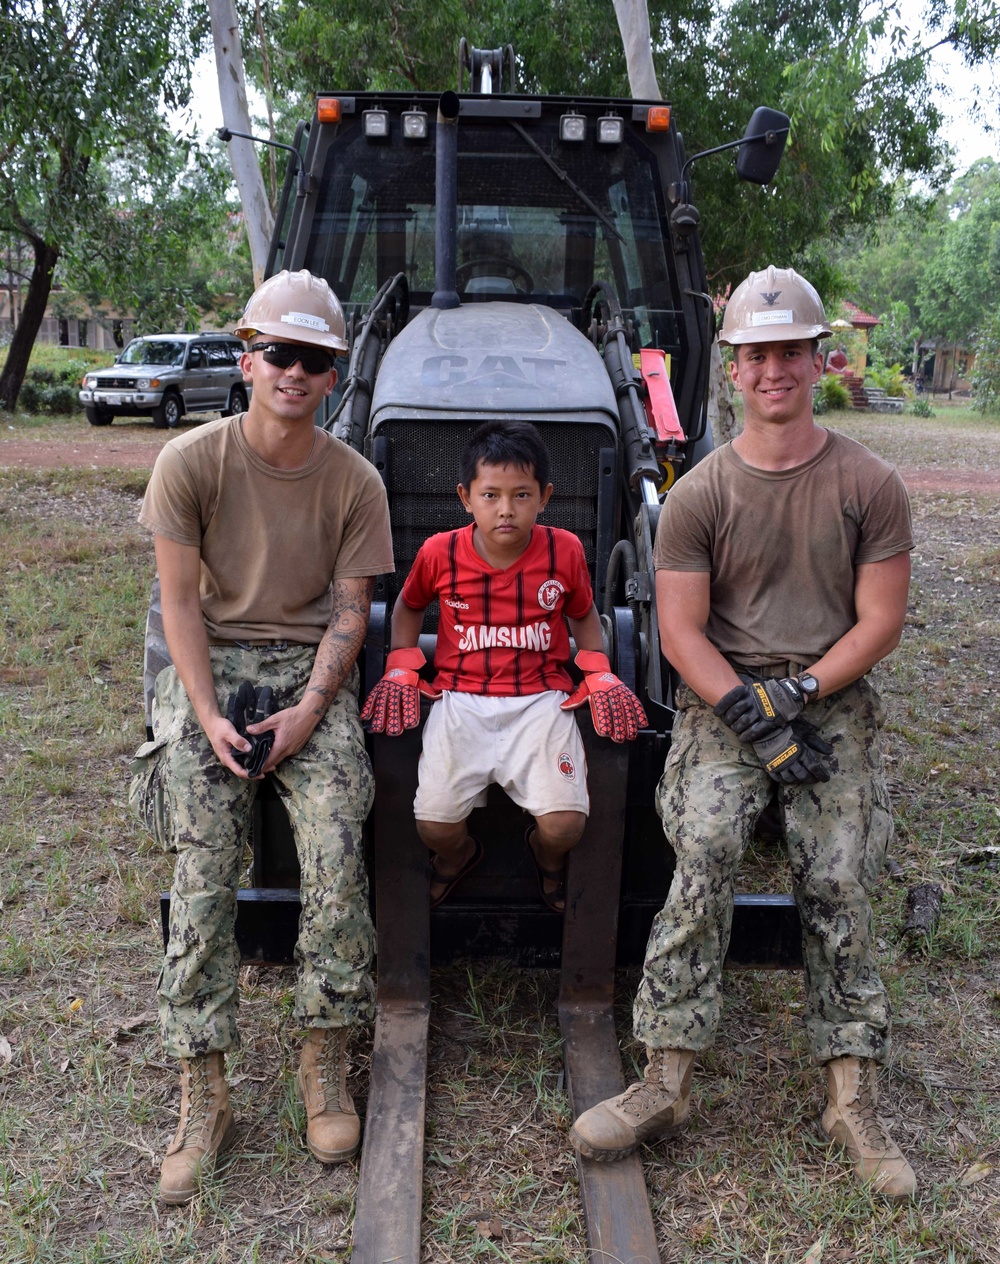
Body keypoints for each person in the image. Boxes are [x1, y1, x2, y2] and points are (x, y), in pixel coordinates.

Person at [570, 266, 917, 1198]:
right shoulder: (700, 496)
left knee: (837, 870)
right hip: (725, 704)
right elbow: (681, 631)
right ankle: (667, 1075)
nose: (774, 370)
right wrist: (745, 713)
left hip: (827, 697)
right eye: (756, 354)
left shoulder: (869, 484)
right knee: (708, 848)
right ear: (732, 369)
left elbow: (879, 619)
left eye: (790, 353)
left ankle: (851, 1090)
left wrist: (798, 693)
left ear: (817, 360)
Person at [129, 270, 394, 1204]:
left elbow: (351, 617)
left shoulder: (354, 481)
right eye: (278, 352)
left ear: (332, 376)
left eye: (313, 358)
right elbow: (178, 611)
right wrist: (205, 718)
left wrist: (309, 713)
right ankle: (204, 1091)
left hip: (303, 677)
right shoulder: (192, 464)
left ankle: (324, 1059)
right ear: (249, 358)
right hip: (211, 669)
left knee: (334, 846)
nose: (293, 371)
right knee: (203, 863)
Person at [361, 420, 646, 909]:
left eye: (521, 494)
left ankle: (546, 858)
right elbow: (408, 606)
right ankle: (457, 858)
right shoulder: (439, 552)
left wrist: (598, 670)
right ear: (465, 497)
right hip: (460, 699)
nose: (506, 510)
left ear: (545, 496)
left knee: (566, 825)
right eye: (490, 495)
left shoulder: (565, 550)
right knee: (434, 825)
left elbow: (581, 614)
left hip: (541, 700)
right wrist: (403, 665)